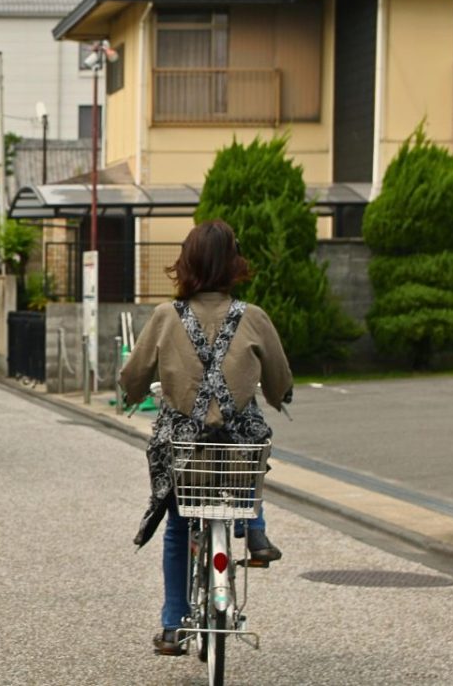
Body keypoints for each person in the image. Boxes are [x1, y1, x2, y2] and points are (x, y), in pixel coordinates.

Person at [118, 220, 293, 657]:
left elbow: (133, 377)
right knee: (252, 446)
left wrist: (131, 392)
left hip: (186, 451)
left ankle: (174, 623)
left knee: (178, 526)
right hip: (236, 451)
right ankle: (254, 528)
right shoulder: (253, 317)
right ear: (235, 265)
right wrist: (276, 394)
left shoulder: (164, 316)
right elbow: (279, 380)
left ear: (186, 263)